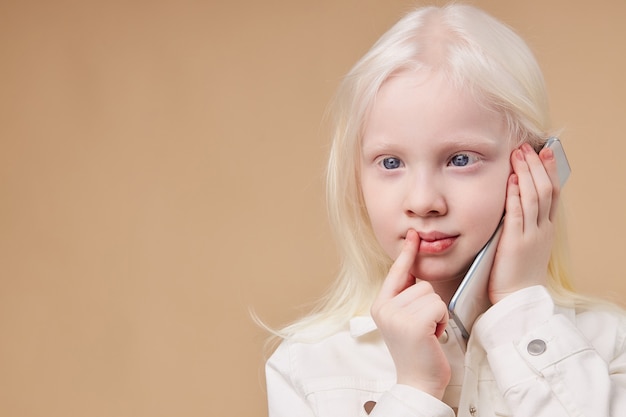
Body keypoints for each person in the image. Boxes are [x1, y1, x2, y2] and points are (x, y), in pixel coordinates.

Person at [265, 4, 626, 417]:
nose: (423, 202)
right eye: (390, 163)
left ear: (534, 168)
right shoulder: (306, 367)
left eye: (460, 160)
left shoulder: (609, 342)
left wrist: (519, 310)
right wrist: (416, 390)